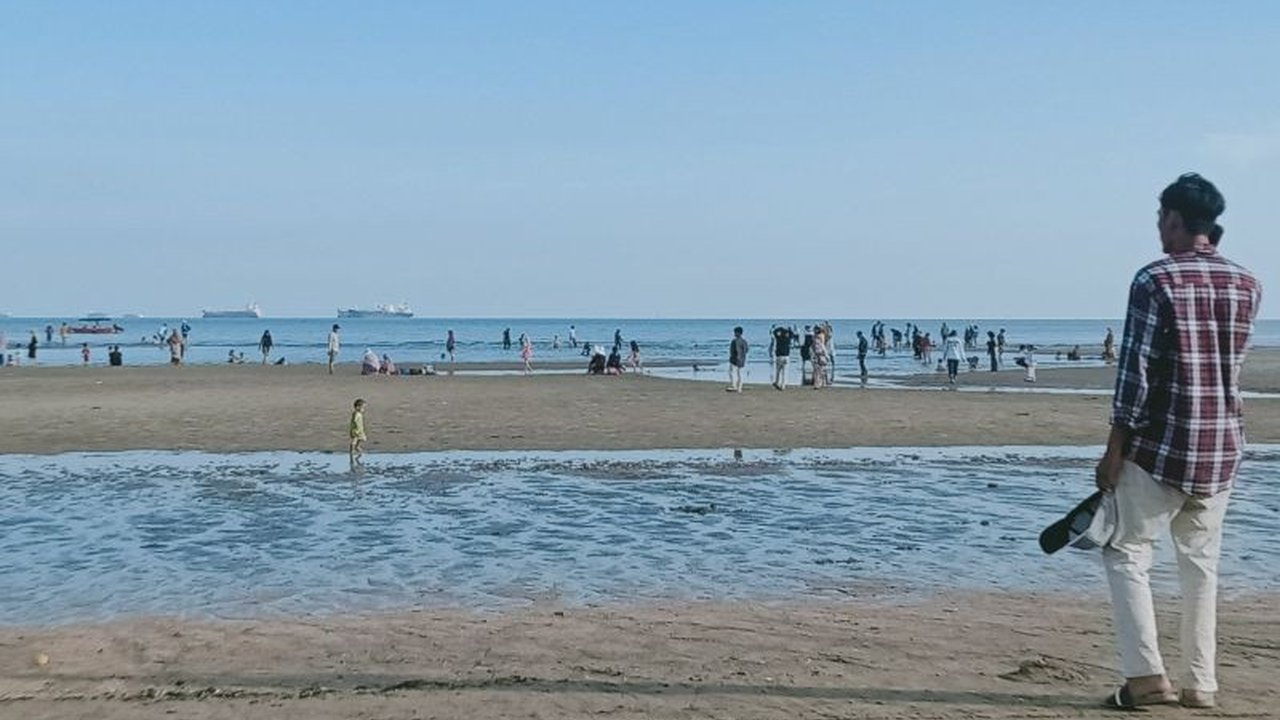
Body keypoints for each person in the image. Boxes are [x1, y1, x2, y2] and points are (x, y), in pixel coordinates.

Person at [1093, 173, 1260, 711]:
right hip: (1221, 444)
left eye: (1161, 219)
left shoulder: (1155, 280)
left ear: (1172, 219)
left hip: (1160, 444)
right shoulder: (1247, 283)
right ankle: (1201, 683)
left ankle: (1145, 676)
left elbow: (1135, 375)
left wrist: (1114, 448)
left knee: (1125, 552)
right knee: (1201, 565)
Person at [769, 325, 796, 390]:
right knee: (785, 372)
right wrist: (789, 329)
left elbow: (774, 332)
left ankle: (777, 382)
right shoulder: (788, 339)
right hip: (786, 356)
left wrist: (779, 328)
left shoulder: (779, 338)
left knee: (778, 371)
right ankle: (783, 385)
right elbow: (792, 334)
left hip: (779, 356)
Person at [727, 326, 747, 392]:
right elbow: (746, 350)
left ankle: (735, 386)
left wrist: (733, 357)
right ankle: (739, 388)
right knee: (739, 374)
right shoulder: (744, 341)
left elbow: (732, 351)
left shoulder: (734, 341)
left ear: (738, 333)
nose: (734, 334)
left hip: (735, 359)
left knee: (732, 373)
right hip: (741, 359)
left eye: (735, 332)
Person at [349, 398, 367, 466]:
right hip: (356, 430)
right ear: (357, 407)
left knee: (361, 438)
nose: (363, 410)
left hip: (360, 429)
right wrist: (355, 426)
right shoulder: (356, 414)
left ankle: (357, 447)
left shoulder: (359, 414)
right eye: (362, 408)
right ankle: (352, 450)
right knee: (355, 439)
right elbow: (355, 420)